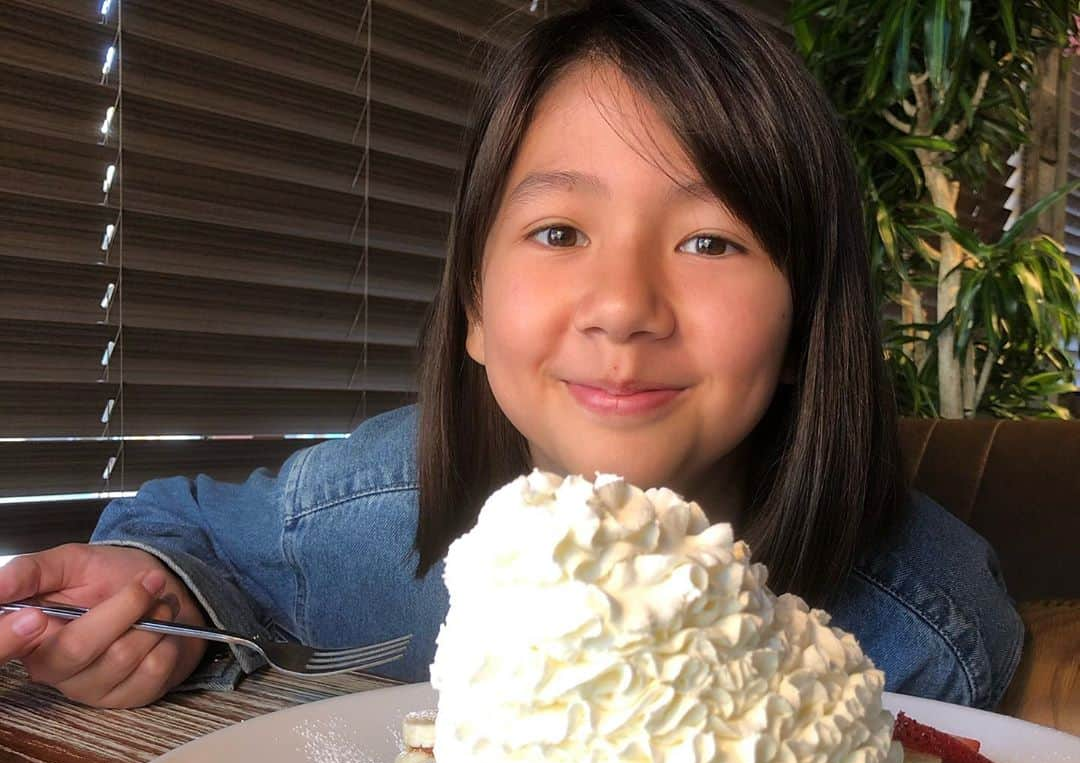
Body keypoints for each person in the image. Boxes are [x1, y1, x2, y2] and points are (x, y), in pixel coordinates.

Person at [0, 0, 1022, 710]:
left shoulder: (914, 627)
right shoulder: (377, 516)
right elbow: (183, 529)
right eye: (558, 232)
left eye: (710, 240)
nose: (623, 308)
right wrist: (159, 594)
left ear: (806, 324)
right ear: (475, 306)